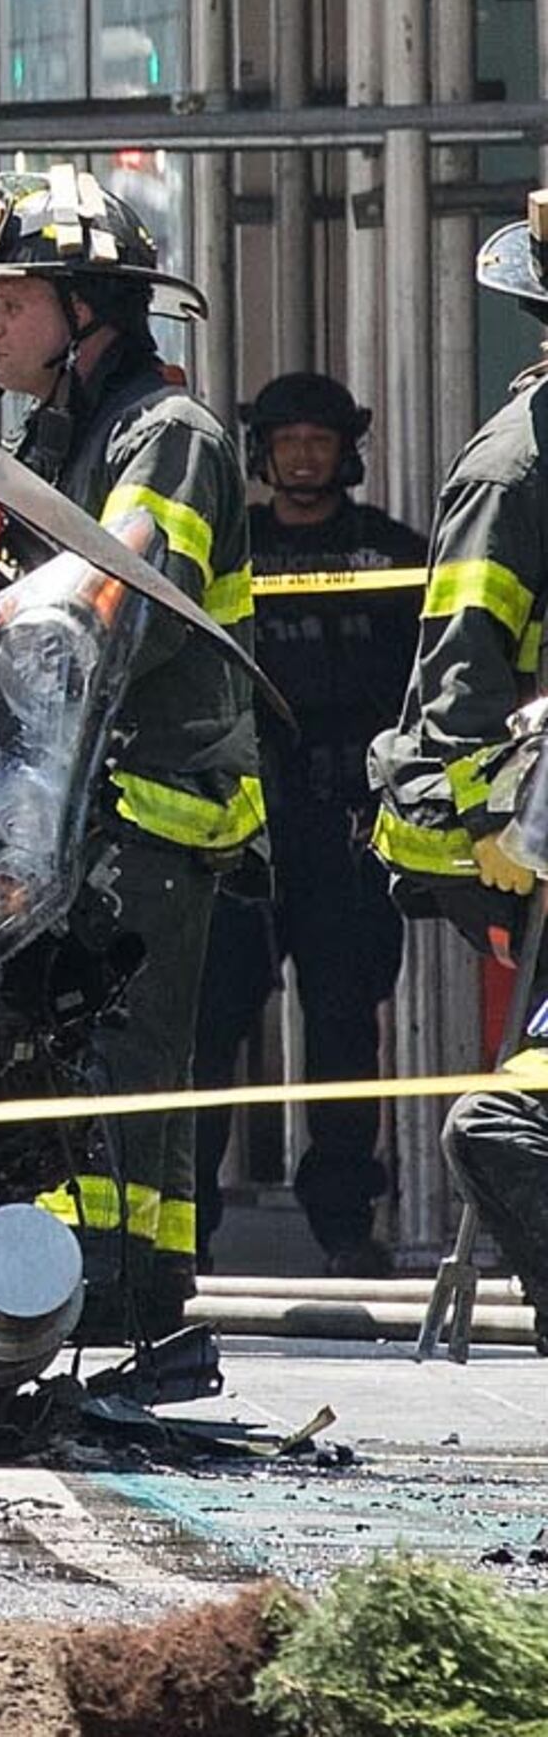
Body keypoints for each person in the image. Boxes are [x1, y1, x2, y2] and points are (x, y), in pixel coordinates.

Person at [0, 162, 262, 1346]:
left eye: (11, 304)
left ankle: (120, 1287)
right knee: (99, 1057)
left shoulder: (166, 437)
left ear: (85, 314)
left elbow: (117, 604)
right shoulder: (71, 434)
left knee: (119, 1058)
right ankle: (123, 1286)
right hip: (87, 799)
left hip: (150, 802)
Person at [193, 371, 426, 1276]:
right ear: (262, 452)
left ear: (346, 451)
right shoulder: (231, 549)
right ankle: (190, 1223)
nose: (301, 455)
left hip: (346, 830)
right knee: (211, 1028)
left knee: (343, 1032)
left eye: (317, 440)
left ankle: (342, 1225)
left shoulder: (391, 554)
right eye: (286, 439)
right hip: (243, 828)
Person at [377, 190, 548, 1301]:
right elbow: (465, 669)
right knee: (508, 1124)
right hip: (529, 834)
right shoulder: (517, 470)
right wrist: (488, 827)